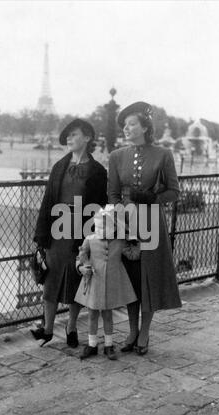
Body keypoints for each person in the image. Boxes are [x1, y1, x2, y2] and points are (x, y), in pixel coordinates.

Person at [108, 101, 182, 355]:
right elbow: (113, 194)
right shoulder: (117, 157)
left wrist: (154, 199)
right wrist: (121, 215)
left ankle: (145, 332)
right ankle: (131, 330)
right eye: (125, 125)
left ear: (145, 127)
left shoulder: (163, 154)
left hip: (151, 223)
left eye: (132, 124)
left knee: (148, 277)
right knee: (130, 276)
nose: (127, 129)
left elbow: (174, 192)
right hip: (125, 223)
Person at [31, 119, 107, 347]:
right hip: (57, 231)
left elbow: (100, 206)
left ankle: (71, 326)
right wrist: (42, 235)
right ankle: (47, 328)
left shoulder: (97, 171)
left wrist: (92, 235)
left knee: (77, 279)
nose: (69, 139)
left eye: (74, 135)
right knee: (51, 280)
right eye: (68, 136)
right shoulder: (59, 167)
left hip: (81, 232)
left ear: (87, 137)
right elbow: (47, 202)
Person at [74, 205, 137, 360]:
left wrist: (134, 241)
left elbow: (132, 255)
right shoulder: (90, 240)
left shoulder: (119, 241)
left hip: (110, 283)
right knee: (92, 315)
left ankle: (109, 345)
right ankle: (92, 344)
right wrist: (81, 268)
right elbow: (80, 258)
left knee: (108, 315)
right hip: (94, 282)